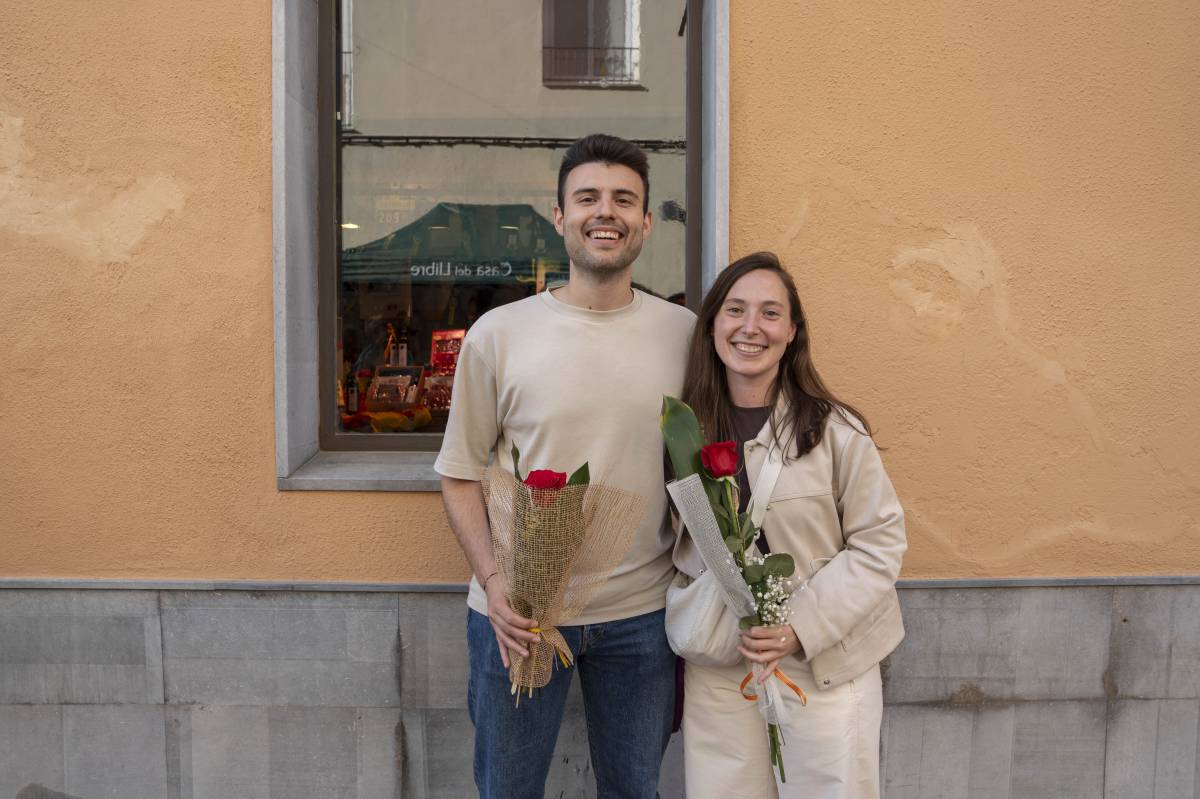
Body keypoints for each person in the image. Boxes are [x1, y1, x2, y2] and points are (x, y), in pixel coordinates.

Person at [435, 133, 695, 798]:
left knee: (635, 789)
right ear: (559, 216)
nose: (605, 211)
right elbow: (459, 473)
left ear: (645, 221)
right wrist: (494, 582)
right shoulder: (499, 334)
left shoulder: (685, 334)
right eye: (587, 198)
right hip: (517, 614)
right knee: (508, 790)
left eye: (623, 199)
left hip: (642, 615)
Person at [676, 251, 906, 798]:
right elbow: (674, 548)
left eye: (770, 313)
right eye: (735, 310)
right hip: (723, 667)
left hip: (823, 665)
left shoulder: (835, 431)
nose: (750, 327)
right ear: (712, 326)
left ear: (792, 331)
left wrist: (797, 627)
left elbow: (879, 544)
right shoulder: (682, 432)